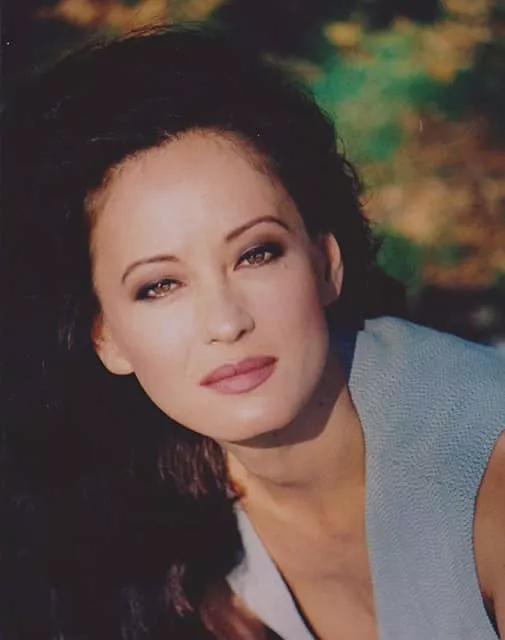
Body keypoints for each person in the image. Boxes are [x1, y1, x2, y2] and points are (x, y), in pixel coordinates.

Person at [1, 24, 504, 640]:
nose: (226, 322)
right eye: (160, 285)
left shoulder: (486, 487)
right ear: (106, 337)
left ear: (326, 263)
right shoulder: (174, 517)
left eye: (256, 254)